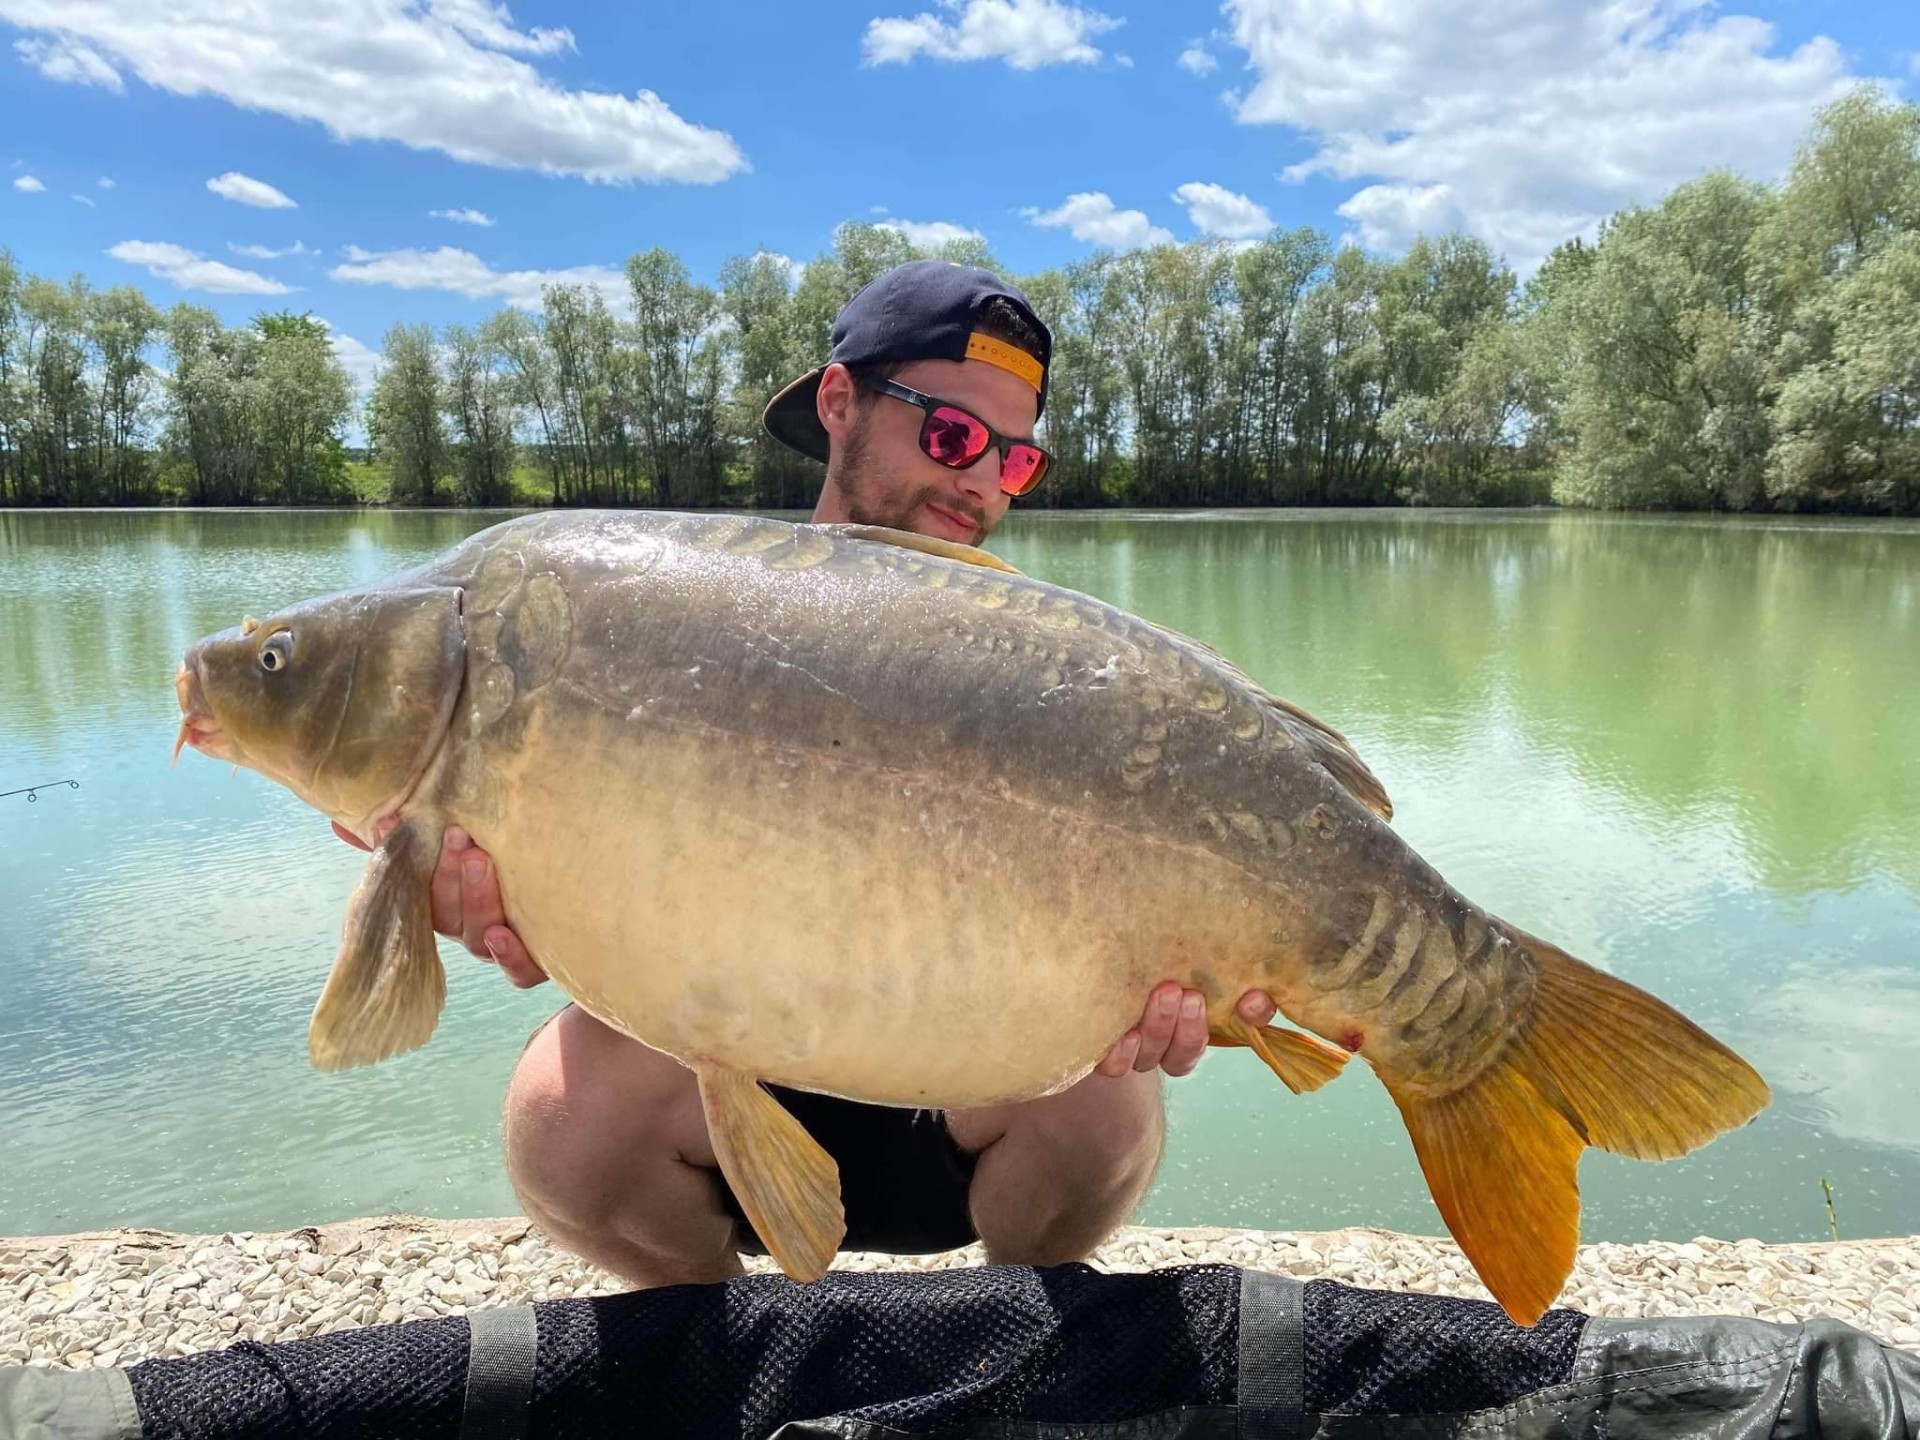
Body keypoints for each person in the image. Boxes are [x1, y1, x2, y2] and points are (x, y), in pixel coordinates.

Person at [336, 260, 1277, 1287]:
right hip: (717, 1098)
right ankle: (722, 1354)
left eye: (1013, 462)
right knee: (559, 1125)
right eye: (954, 436)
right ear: (841, 403)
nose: (977, 481)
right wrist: (500, 902)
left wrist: (1173, 983)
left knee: (1112, 1103)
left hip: (959, 1100)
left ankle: (1016, 1333)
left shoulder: (1031, 678)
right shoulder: (681, 622)